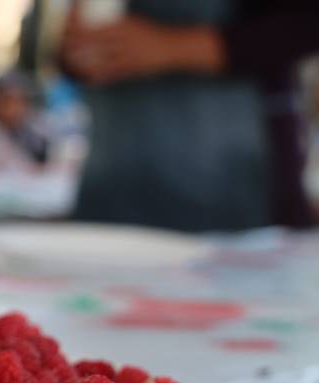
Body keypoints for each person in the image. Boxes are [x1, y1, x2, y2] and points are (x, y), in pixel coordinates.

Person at [57, 0, 319, 231]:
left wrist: (170, 47)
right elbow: (62, 50)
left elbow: (304, 22)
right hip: (113, 167)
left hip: (226, 169)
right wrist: (78, 50)